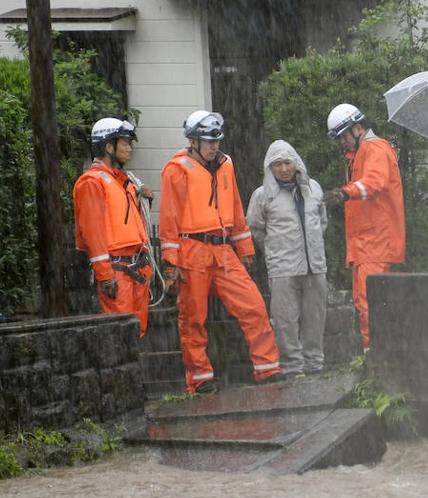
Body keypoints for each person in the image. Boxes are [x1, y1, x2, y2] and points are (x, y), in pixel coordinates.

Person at [159, 110, 282, 394]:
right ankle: (200, 378)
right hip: (192, 250)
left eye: (217, 141)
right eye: (208, 141)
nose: (215, 146)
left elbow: (236, 208)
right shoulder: (176, 169)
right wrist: (170, 264)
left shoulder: (226, 165)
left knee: (253, 306)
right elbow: (169, 220)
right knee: (193, 318)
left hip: (224, 251)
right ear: (193, 141)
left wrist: (245, 248)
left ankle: (267, 369)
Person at [325, 104, 405, 352]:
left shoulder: (374, 148)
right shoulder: (363, 152)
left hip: (375, 241)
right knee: (367, 302)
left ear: (357, 128)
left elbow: (375, 182)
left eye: (342, 136)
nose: (341, 142)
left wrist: (344, 193)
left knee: (370, 303)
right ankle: (375, 355)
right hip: (367, 243)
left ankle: (378, 358)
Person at [247, 140, 329, 377]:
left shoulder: (313, 188)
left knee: (315, 316)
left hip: (315, 265)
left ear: (296, 163)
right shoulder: (262, 195)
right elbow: (255, 228)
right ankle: (293, 367)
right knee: (285, 320)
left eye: (287, 162)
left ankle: (315, 364)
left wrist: (311, 245)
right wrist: (275, 249)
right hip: (283, 266)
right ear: (269, 168)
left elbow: (321, 222)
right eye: (277, 164)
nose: (283, 168)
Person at [73, 118, 153, 336]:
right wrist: (105, 276)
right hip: (117, 273)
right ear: (109, 146)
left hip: (135, 269)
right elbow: (93, 233)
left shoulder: (123, 181)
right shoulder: (92, 182)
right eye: (125, 143)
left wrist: (144, 200)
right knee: (121, 335)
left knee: (137, 333)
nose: (130, 149)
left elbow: (127, 224)